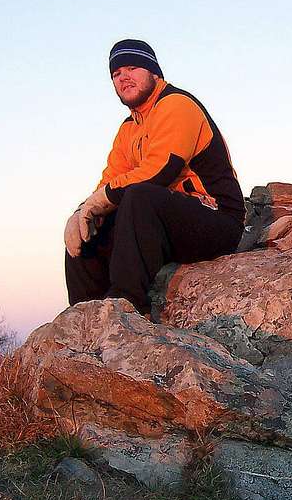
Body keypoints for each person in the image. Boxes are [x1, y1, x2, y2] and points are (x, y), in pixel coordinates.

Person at [64, 39, 244, 316]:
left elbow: (161, 170)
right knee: (86, 229)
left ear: (154, 73)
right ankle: (85, 318)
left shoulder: (177, 104)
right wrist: (83, 210)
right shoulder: (128, 129)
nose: (123, 77)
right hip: (165, 224)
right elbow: (111, 178)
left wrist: (104, 198)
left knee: (138, 195)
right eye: (116, 74)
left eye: (132, 67)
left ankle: (126, 307)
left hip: (216, 218)